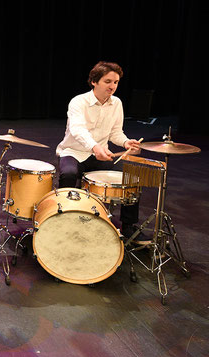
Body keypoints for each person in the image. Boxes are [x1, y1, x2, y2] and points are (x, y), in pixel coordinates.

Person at [55, 61, 144, 239]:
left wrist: (126, 142)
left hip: (101, 155)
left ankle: (128, 226)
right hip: (73, 152)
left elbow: (115, 132)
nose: (112, 86)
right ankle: (61, 218)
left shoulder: (116, 103)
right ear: (94, 81)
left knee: (131, 180)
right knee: (69, 175)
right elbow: (78, 130)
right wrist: (95, 146)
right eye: (108, 81)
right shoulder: (78, 102)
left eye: (116, 82)